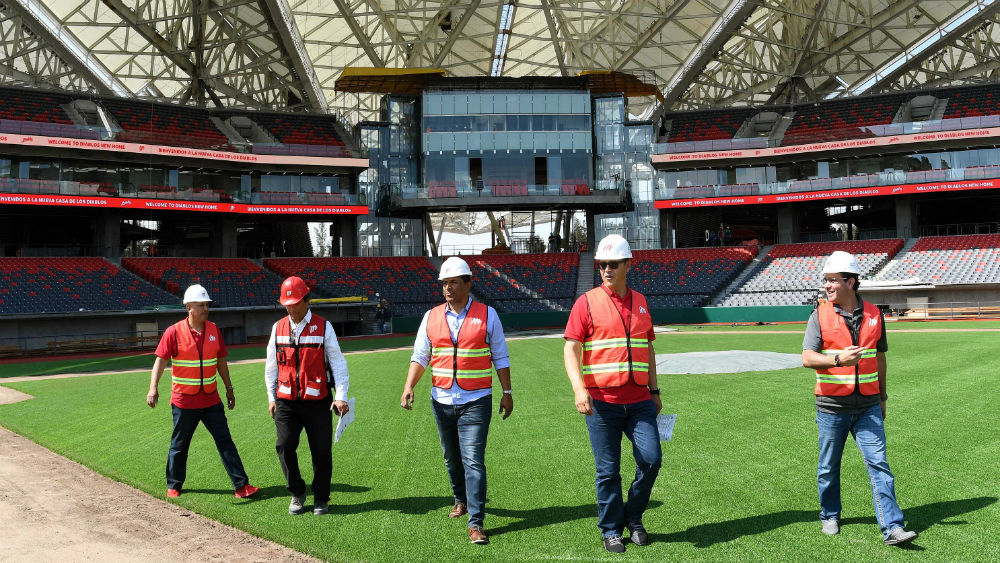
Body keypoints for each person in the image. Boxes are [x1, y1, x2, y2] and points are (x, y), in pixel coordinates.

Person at [801, 251, 917, 546]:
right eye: (825, 280)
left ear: (851, 282)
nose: (827, 286)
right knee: (828, 465)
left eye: (833, 280)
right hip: (831, 407)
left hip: (868, 406)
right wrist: (838, 359)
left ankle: (892, 527)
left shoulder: (875, 314)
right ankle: (829, 514)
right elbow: (806, 357)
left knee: (879, 464)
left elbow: (880, 359)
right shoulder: (819, 314)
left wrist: (882, 396)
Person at [400, 257, 513, 545]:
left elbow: (500, 356)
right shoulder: (431, 316)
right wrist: (409, 385)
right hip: (441, 399)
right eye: (444, 283)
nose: (448, 288)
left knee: (473, 461)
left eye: (453, 282)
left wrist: (507, 393)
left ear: (468, 284)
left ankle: (476, 523)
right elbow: (421, 355)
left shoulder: (488, 315)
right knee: (452, 459)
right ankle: (460, 500)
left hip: (477, 400)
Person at [563, 234, 662, 553]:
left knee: (652, 459)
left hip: (640, 402)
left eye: (613, 264)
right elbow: (570, 349)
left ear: (628, 265)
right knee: (608, 471)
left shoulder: (642, 301)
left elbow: (648, 349)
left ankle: (633, 517)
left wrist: (655, 391)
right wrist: (579, 389)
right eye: (602, 265)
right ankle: (610, 529)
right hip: (601, 404)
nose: (606, 269)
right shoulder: (586, 302)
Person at [146, 284, 259, 500]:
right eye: (201, 305)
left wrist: (229, 388)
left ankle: (241, 486)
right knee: (179, 446)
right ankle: (174, 485)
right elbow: (160, 361)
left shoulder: (215, 330)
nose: (206, 308)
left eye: (207, 305)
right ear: (189, 307)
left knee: (225, 441)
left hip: (211, 400)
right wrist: (153, 388)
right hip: (184, 402)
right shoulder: (173, 332)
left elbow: (221, 361)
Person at [265, 276, 351, 516]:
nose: (291, 308)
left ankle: (321, 497)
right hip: (286, 401)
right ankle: (297, 492)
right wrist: (271, 397)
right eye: (287, 304)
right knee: (284, 445)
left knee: (321, 450)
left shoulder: (324, 327)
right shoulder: (277, 328)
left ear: (307, 300)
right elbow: (271, 367)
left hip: (318, 401)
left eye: (295, 303)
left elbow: (338, 363)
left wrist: (341, 395)